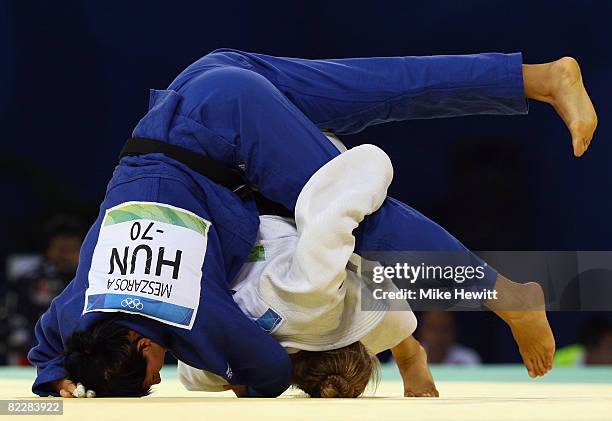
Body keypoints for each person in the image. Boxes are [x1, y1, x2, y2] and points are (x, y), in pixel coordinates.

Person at [28, 48, 596, 398]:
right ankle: (543, 77)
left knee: (358, 219)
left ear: (132, 339)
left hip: (224, 131)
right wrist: (51, 377)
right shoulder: (85, 299)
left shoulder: (184, 311)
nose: (154, 381)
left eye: (146, 370)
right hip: (204, 85)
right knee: (382, 89)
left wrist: (239, 378)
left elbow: (269, 368)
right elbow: (48, 339)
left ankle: (507, 297)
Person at [179, 142, 438, 398]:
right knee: (367, 283)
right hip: (227, 193)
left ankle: (410, 352)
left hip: (270, 182)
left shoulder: (313, 295)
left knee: (366, 271)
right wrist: (240, 377)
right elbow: (190, 373)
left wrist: (373, 167)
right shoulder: (217, 365)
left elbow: (334, 215)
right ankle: (409, 354)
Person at [4, 216, 83, 365]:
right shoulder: (29, 280)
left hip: (79, 350)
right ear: (48, 250)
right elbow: (14, 316)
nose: (66, 256)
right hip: (33, 351)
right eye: (61, 250)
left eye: (73, 250)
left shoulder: (91, 281)